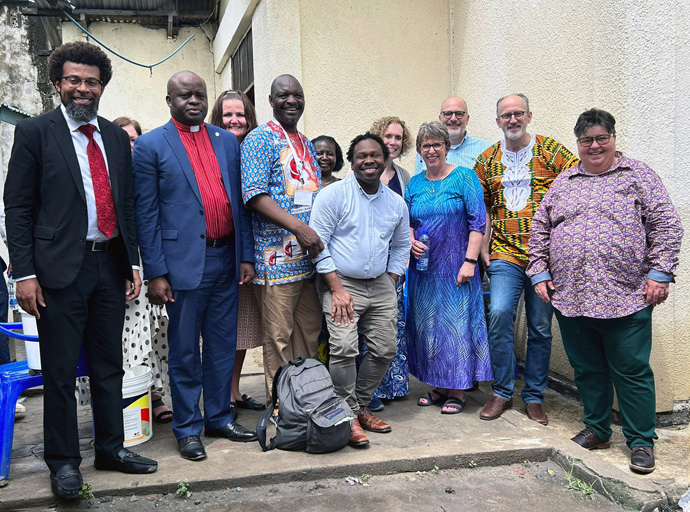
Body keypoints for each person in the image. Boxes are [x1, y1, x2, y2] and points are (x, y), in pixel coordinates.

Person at [5, 41, 157, 500]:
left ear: (102, 86)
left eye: (91, 81)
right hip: (57, 271)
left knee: (109, 365)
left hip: (109, 265)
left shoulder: (113, 135)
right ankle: (64, 463)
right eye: (74, 80)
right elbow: (18, 208)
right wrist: (25, 274)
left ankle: (111, 449)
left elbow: (126, 204)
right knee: (59, 372)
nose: (82, 89)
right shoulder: (35, 133)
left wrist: (131, 261)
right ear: (58, 83)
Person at [527, 108, 683, 474]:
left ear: (613, 138)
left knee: (631, 371)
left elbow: (666, 224)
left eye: (601, 138)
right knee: (587, 369)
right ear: (578, 144)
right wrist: (538, 273)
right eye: (587, 140)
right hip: (571, 296)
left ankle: (641, 440)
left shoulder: (638, 175)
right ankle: (597, 428)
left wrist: (659, 274)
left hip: (626, 297)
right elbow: (539, 231)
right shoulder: (563, 182)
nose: (594, 145)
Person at [133, 71, 257, 462]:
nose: (194, 101)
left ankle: (218, 416)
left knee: (222, 346)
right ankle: (187, 427)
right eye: (185, 95)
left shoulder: (225, 141)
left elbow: (239, 205)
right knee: (186, 351)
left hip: (226, 258)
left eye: (200, 95)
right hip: (183, 265)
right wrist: (155, 272)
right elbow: (146, 214)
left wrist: (246, 255)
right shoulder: (151, 145)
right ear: (169, 100)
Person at [475, 94, 578, 425]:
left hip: (544, 259)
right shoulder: (487, 159)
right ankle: (502, 391)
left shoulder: (551, 151)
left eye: (518, 113)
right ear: (498, 121)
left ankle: (533, 396)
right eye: (506, 115)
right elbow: (482, 207)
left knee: (539, 327)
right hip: (505, 253)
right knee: (500, 313)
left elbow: (578, 186)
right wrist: (483, 249)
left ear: (529, 115)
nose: (513, 120)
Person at [309, 132, 410, 447]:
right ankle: (347, 414)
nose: (369, 160)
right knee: (344, 348)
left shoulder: (395, 202)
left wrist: (391, 280)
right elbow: (316, 244)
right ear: (351, 162)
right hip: (340, 282)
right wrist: (336, 288)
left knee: (384, 350)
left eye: (375, 155)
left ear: (385, 160)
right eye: (362, 156)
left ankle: (359, 406)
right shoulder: (334, 195)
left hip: (380, 283)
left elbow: (401, 245)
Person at [77, 116, 172, 424]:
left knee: (149, 331)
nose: (131, 145)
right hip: (106, 262)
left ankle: (152, 395)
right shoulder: (104, 173)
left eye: (135, 140)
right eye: (125, 139)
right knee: (112, 337)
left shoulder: (147, 173)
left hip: (143, 261)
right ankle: (114, 404)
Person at [241, 74, 323, 399]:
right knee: (278, 339)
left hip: (308, 260)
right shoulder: (259, 139)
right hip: (276, 261)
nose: (292, 101)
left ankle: (307, 403)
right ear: (271, 100)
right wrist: (299, 227)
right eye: (284, 95)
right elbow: (255, 195)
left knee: (308, 334)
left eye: (297, 95)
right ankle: (282, 412)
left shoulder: (304, 142)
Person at [406, 122, 492, 414]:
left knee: (455, 326)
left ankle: (457, 389)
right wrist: (410, 240)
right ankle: (439, 385)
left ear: (446, 147)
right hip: (423, 269)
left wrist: (470, 261)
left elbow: (477, 222)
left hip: (456, 266)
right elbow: (406, 219)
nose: (431, 150)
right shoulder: (415, 183)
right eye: (426, 146)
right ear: (419, 151)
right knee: (429, 326)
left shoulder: (464, 177)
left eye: (437, 145)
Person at [209, 90, 265, 416]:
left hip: (250, 252)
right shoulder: (211, 151)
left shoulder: (255, 149)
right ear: (218, 118)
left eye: (240, 114)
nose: (234, 120)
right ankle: (220, 396)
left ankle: (234, 390)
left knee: (242, 327)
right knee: (220, 329)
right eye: (228, 115)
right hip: (220, 251)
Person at [360, 117, 413, 410]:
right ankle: (369, 389)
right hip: (365, 264)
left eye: (398, 137)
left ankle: (394, 384)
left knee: (392, 325)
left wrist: (397, 269)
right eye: (388, 136)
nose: (393, 141)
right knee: (366, 328)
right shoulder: (361, 172)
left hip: (393, 266)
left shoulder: (405, 178)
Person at [413, 97, 491, 175]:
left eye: (459, 114)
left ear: (467, 119)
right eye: (448, 114)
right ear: (440, 118)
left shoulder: (486, 148)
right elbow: (417, 183)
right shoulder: (427, 150)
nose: (453, 119)